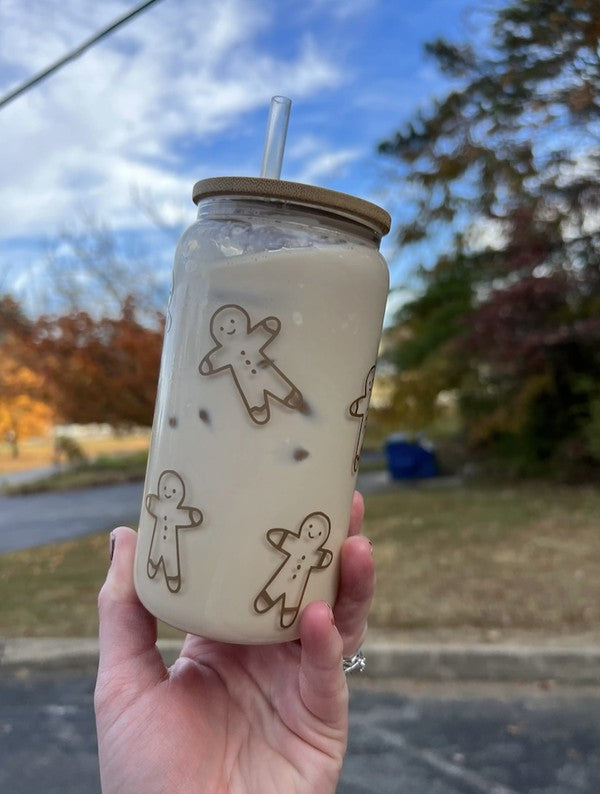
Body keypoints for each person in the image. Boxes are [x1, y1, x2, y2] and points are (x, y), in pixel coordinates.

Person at [94, 491, 375, 794]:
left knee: (294, 599)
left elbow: (295, 546)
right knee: (292, 598)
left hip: (289, 591)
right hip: (261, 586)